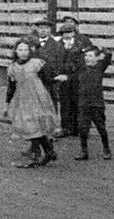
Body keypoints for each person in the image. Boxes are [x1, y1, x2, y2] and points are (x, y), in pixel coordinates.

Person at [5, 40, 59, 168]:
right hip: (23, 100)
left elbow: (48, 79)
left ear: (30, 51)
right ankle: (49, 152)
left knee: (36, 126)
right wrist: (7, 104)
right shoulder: (13, 67)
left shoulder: (36, 64)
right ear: (16, 51)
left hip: (38, 98)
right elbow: (11, 87)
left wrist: (56, 79)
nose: (23, 53)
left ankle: (35, 156)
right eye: (20, 50)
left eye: (26, 50)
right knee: (31, 127)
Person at [75, 46, 112, 161]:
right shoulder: (82, 68)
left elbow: (108, 54)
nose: (87, 58)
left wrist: (100, 49)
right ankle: (84, 151)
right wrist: (83, 50)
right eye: (86, 56)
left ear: (97, 58)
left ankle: (106, 149)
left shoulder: (99, 67)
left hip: (97, 104)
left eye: (90, 56)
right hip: (84, 103)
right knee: (82, 128)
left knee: (101, 127)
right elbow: (75, 55)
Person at [51, 22, 83, 139]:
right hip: (62, 79)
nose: (67, 35)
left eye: (70, 32)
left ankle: (77, 128)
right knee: (65, 103)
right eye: (65, 33)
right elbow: (56, 62)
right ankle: (65, 127)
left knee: (77, 102)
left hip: (75, 78)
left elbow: (81, 63)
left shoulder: (79, 45)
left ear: (74, 33)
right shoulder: (57, 45)